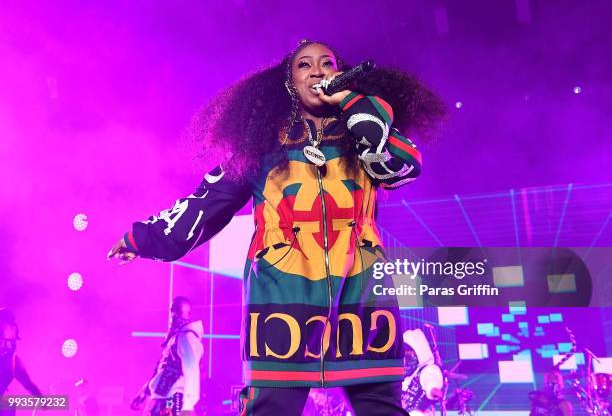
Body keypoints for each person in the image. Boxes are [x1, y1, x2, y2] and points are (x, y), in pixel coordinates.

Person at [109, 39, 445, 415]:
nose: (317, 70)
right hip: (282, 297)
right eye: (305, 65)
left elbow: (404, 165)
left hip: (362, 294)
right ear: (290, 83)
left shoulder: (365, 138)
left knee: (380, 407)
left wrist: (354, 105)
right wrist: (144, 237)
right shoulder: (260, 149)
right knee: (271, 408)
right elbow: (207, 203)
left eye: (327, 63)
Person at [130, 297, 203, 416]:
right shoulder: (176, 339)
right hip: (162, 398)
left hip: (173, 399)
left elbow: (192, 372)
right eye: (172, 311)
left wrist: (187, 407)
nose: (173, 315)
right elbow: (162, 370)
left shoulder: (186, 337)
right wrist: (144, 392)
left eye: (177, 312)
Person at [0, 308, 43, 416]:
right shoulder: (12, 360)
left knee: (8, 407)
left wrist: (42, 400)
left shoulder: (12, 361)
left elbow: (27, 383)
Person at [401, 329, 444, 416]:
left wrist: (433, 390)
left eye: (409, 354)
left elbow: (430, 380)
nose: (406, 358)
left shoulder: (425, 372)